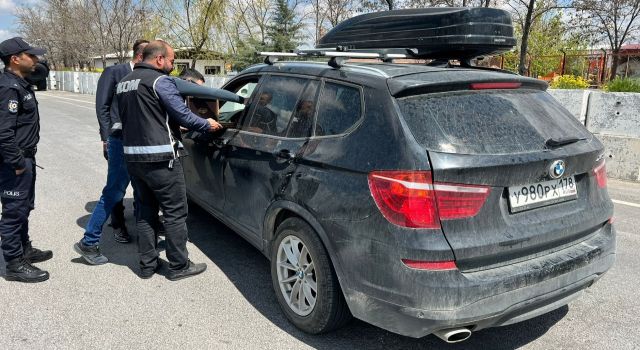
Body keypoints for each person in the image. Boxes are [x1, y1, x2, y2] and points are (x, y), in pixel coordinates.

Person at [115, 40, 223, 280]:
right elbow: (181, 112)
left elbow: (144, 116)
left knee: (145, 212)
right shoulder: (159, 81)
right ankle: (178, 265)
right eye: (173, 61)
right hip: (162, 157)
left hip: (133, 158)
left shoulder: (124, 83)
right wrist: (206, 123)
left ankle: (147, 265)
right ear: (159, 59)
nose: (173, 66)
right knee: (175, 213)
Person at [74, 39, 149, 265]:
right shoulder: (115, 72)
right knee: (115, 190)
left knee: (139, 187)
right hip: (118, 140)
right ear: (140, 56)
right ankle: (95, 237)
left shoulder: (146, 77)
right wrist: (105, 138)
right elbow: (102, 107)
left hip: (140, 143)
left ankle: (145, 232)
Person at [0, 37, 52, 283]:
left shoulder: (21, 83)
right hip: (15, 163)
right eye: (30, 55)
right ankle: (14, 264)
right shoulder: (8, 87)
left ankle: (24, 249)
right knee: (13, 211)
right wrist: (18, 163)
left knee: (24, 208)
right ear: (15, 59)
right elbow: (3, 132)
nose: (36, 59)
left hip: (26, 159)